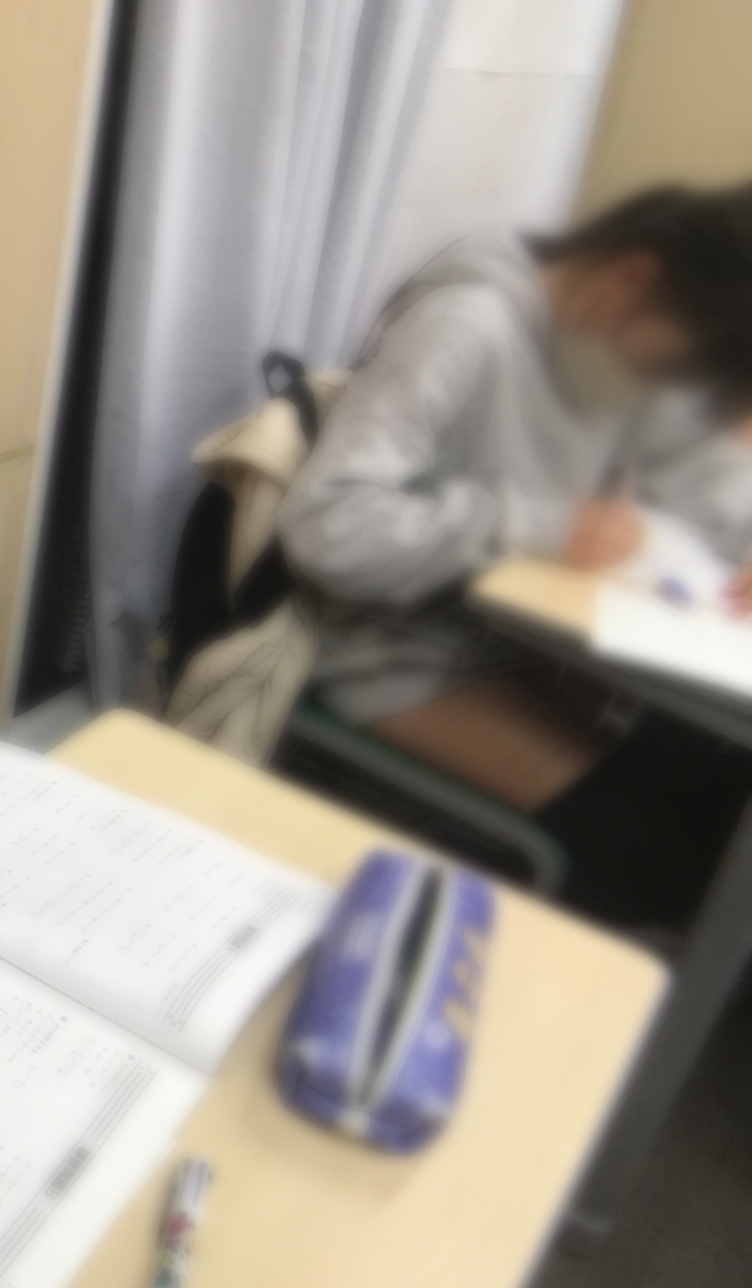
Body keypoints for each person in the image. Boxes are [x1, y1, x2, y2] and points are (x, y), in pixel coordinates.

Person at [280, 184, 752, 929]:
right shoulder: (467, 324)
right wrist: (539, 528)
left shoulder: (629, 341)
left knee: (719, 790)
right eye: (667, 367)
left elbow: (700, 469)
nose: (662, 390)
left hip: (534, 648)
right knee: (673, 863)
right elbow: (325, 527)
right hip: (396, 654)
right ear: (629, 280)